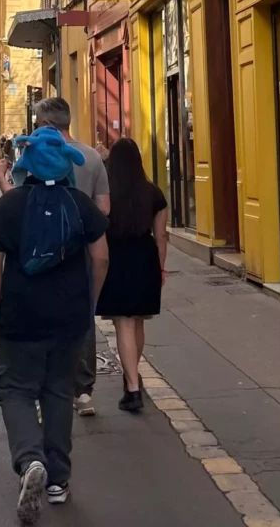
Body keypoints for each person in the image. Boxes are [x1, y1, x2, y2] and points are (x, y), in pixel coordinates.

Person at [0, 127, 109, 522]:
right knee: (58, 392)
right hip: (70, 317)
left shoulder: (7, 207)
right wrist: (89, 302)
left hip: (19, 316)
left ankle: (29, 459)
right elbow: (102, 257)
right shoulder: (79, 204)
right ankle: (57, 480)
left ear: (27, 165)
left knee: (14, 389)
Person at [33, 97, 110, 418]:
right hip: (82, 254)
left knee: (41, 323)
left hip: (40, 255)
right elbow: (105, 208)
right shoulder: (92, 157)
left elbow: (25, 206)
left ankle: (44, 392)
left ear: (46, 124)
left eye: (37, 123)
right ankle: (83, 392)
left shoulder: (35, 156)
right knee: (82, 321)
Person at [95, 137, 168, 414]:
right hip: (145, 257)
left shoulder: (107, 193)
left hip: (116, 258)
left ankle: (133, 387)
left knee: (123, 324)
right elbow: (161, 235)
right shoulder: (153, 193)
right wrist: (160, 268)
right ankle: (131, 378)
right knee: (137, 322)